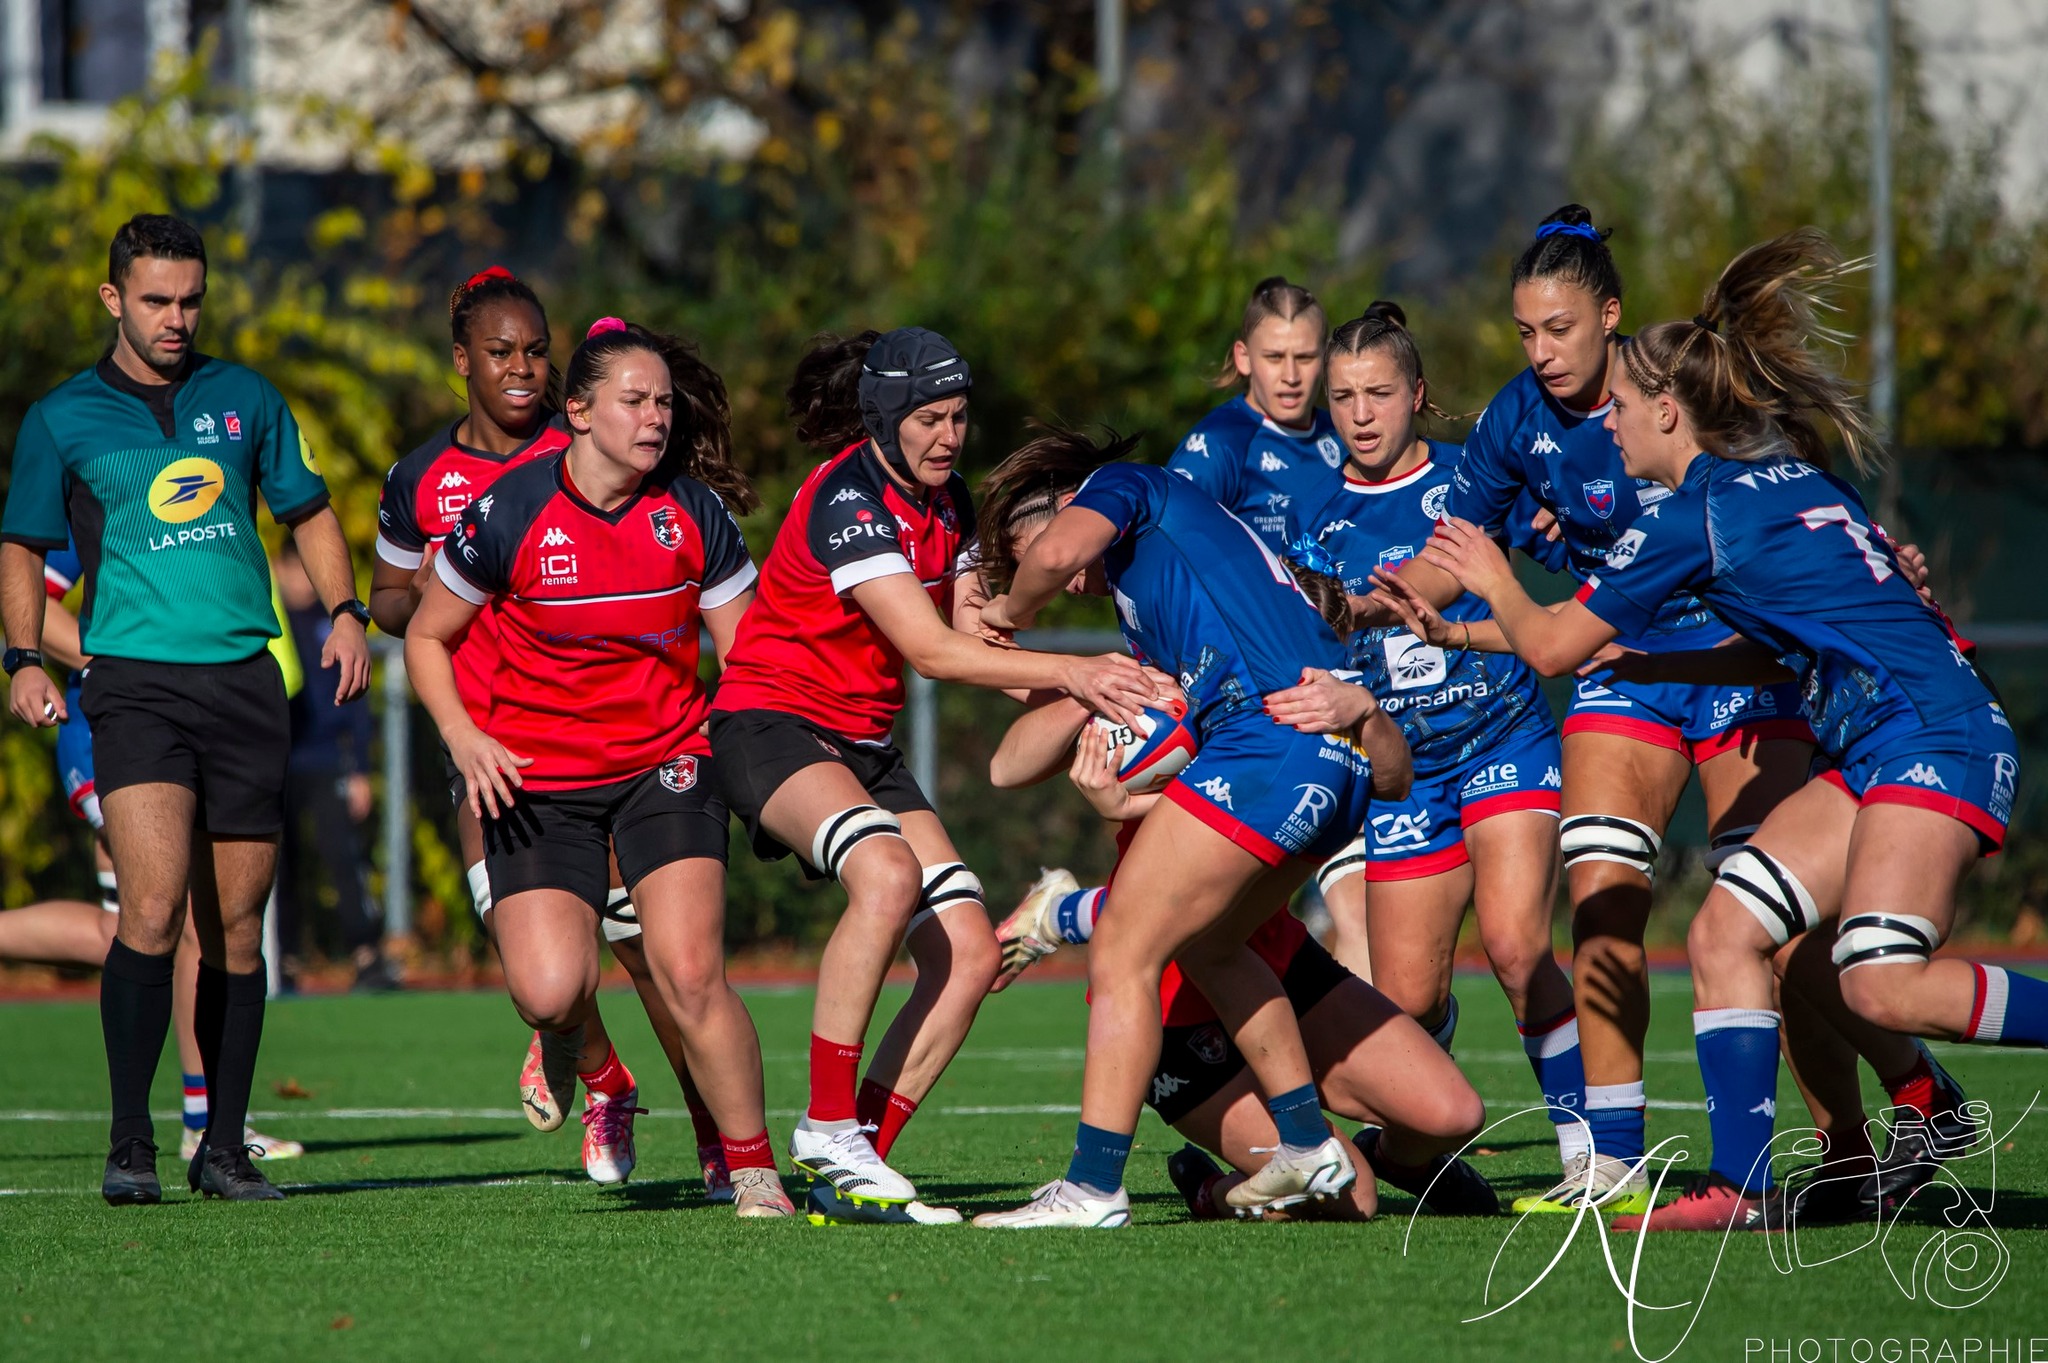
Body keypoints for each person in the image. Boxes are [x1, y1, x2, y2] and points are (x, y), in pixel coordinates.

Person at [1414, 228, 2038, 1232]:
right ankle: (1740, 1188)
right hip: (1885, 741)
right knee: (1724, 930)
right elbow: (1780, 645)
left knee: (1878, 984)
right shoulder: (1776, 478)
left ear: (1668, 409)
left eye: (1621, 409)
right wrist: (1648, 660)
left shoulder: (1689, 515)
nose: (1607, 425)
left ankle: (1895, 1117)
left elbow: (1545, 649)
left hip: (1934, 735)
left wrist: (1489, 575)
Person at [1370, 205, 1878, 1215]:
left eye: (1557, 330)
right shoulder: (1518, 416)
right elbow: (1456, 542)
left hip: (1740, 664)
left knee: (1777, 930)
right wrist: (1379, 594)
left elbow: (1790, 513)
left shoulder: (1683, 397)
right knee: (1600, 892)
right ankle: (1607, 1158)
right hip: (1620, 665)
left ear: (1609, 317)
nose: (1539, 352)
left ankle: (1850, 1146)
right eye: (1523, 332)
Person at [708, 329, 1154, 1224]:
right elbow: (927, 650)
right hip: (771, 723)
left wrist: (1125, 685)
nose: (948, 435)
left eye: (957, 416)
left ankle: (853, 1163)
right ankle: (828, 1127)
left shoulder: (942, 505)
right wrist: (1076, 673)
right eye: (928, 419)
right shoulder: (849, 498)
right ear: (882, 418)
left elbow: (979, 637)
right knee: (884, 870)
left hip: (860, 745)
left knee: (973, 950)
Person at [2, 213, 369, 1204]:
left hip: (246, 684)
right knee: (152, 909)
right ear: (113, 299)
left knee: (236, 932)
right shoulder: (62, 417)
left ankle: (223, 1148)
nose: (176, 317)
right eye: (156, 299)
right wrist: (20, 657)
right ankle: (130, 1144)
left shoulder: (243, 397)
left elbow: (311, 510)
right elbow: (22, 550)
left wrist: (343, 611)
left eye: (190, 298)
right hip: (136, 688)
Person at [406, 318, 794, 1218]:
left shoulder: (693, 512)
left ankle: (753, 1169)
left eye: (663, 401)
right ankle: (597, 1070)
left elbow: (749, 661)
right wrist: (465, 736)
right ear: (578, 411)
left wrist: (764, 771)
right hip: (535, 778)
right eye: (634, 400)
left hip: (667, 763)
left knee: (689, 971)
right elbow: (427, 636)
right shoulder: (507, 511)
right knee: (549, 991)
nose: (654, 416)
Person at [968, 429, 1404, 1229]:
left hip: (1270, 748)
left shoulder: (1130, 485)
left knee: (1125, 950)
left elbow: (1060, 550)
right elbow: (1024, 749)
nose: (1062, 582)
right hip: (1329, 768)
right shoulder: (1163, 596)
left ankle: (1093, 1186)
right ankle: (1307, 1141)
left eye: (1046, 555)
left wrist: (1003, 608)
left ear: (1075, 506)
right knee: (1213, 945)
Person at [990, 691, 1497, 1220]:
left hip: (1270, 949)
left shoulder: (1297, 676)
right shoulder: (1158, 669)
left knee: (1453, 1117)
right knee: (1351, 1198)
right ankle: (1212, 1191)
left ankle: (1398, 1159)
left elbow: (1389, 782)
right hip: (1172, 1002)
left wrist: (1366, 711)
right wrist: (1078, 683)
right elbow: (1005, 769)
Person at [1284, 303, 1584, 1179]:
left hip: (1504, 738)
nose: (1361, 413)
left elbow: (1587, 554)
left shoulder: (1475, 481)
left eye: (1379, 391)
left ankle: (1590, 1155)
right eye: (1342, 397)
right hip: (1405, 773)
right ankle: (1416, 1136)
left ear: (1418, 393)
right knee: (1408, 997)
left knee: (1519, 947)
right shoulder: (1313, 513)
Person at [0, 541, 303, 1164]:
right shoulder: (102, 460)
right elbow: (35, 594)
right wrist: (135, 663)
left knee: (144, 926)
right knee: (175, 919)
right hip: (116, 731)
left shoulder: (207, 470)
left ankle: (207, 1118)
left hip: (181, 726)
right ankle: (206, 1120)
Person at [274, 541, 393, 992]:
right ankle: (282, 959)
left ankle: (367, 955)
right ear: (280, 571)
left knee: (343, 858)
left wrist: (360, 769)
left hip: (327, 762)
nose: (303, 581)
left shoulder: (335, 624)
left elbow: (358, 708)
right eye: (295, 570)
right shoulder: (269, 621)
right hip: (280, 763)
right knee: (279, 865)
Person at [1166, 276, 1344, 553]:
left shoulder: (1345, 433)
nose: (1291, 376)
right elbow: (1168, 554)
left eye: (1305, 357)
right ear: (1244, 358)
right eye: (1274, 357)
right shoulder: (1218, 445)